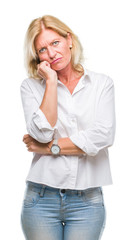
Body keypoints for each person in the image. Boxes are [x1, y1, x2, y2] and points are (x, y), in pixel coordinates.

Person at [20, 15, 115, 240]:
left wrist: (49, 148)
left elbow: (103, 136)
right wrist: (51, 82)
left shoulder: (102, 84)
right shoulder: (31, 87)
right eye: (42, 49)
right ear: (37, 57)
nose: (51, 54)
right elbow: (42, 132)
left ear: (69, 40)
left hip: (87, 201)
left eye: (55, 43)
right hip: (41, 199)